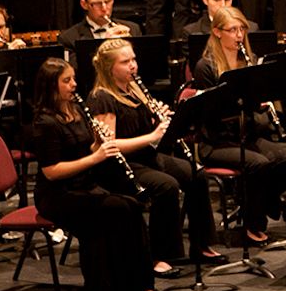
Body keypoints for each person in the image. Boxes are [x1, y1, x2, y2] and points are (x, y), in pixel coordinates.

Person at [86, 39, 219, 277]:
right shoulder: (102, 98)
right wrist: (152, 136)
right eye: (125, 62)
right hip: (119, 166)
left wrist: (162, 119)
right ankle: (159, 255)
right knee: (166, 186)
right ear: (109, 68)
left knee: (197, 173)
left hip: (146, 157)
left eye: (133, 59)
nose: (133, 66)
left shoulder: (134, 88)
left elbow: (149, 130)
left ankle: (201, 244)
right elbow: (110, 145)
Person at [28, 57, 155, 291]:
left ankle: (136, 283)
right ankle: (109, 287)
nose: (74, 84)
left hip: (83, 186)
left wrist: (99, 143)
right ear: (51, 86)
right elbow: (51, 171)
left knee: (132, 205)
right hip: (57, 195)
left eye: (73, 78)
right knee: (118, 209)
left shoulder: (75, 110)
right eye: (66, 81)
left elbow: (86, 149)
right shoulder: (45, 122)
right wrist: (96, 157)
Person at [188, 6, 286, 245]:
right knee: (259, 164)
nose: (238, 35)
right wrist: (246, 103)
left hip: (248, 135)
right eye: (232, 29)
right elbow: (209, 112)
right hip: (216, 140)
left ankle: (266, 204)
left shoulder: (250, 60)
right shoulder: (206, 66)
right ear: (217, 31)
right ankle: (252, 224)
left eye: (242, 29)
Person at [58, 0, 139, 49]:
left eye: (107, 1)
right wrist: (105, 45)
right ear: (84, 4)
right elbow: (78, 66)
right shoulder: (69, 38)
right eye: (97, 3)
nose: (104, 8)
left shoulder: (133, 29)